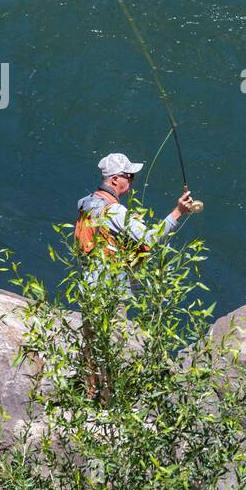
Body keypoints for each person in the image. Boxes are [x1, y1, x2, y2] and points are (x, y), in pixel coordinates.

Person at [74, 151, 200, 402]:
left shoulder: (85, 203)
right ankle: (107, 403)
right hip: (110, 290)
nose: (132, 181)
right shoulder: (116, 212)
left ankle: (89, 394)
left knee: (91, 344)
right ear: (113, 180)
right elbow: (150, 238)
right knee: (111, 346)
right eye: (128, 176)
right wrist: (177, 213)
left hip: (88, 286)